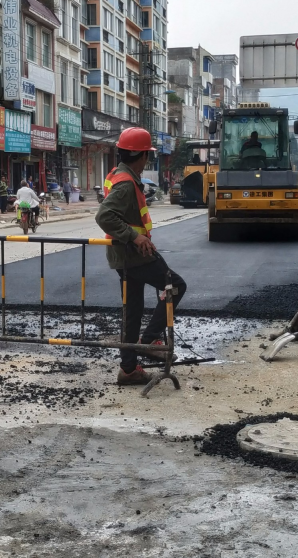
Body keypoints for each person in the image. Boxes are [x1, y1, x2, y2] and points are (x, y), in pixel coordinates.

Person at [95, 127, 187, 386]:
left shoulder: (117, 174)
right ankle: (148, 342)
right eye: (147, 154)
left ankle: (128, 369)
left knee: (132, 311)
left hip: (123, 256)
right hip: (134, 255)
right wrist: (135, 237)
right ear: (142, 155)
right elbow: (104, 216)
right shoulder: (125, 183)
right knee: (176, 286)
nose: (147, 159)